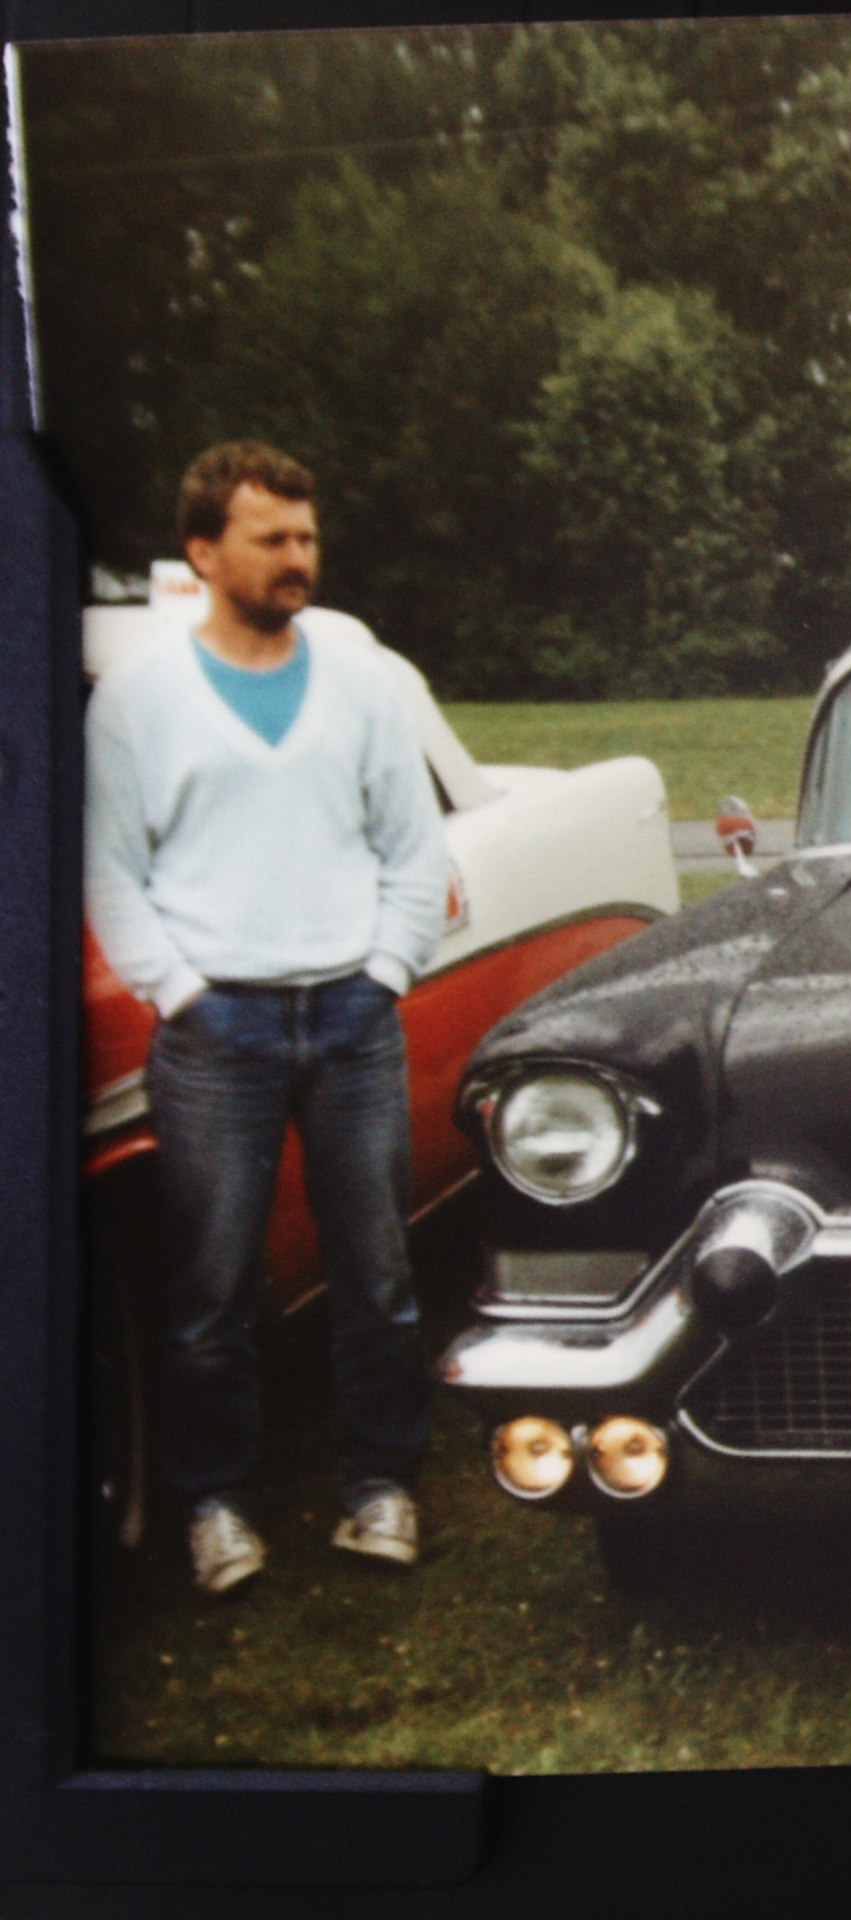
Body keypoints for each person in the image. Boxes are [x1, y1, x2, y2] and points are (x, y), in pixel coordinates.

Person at [86, 442, 448, 1595]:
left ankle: (381, 1487)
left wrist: (382, 974)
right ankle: (215, 1505)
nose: (300, 557)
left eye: (307, 536)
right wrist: (183, 995)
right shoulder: (139, 699)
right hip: (214, 1036)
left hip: (352, 1020)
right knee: (211, 1292)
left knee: (376, 1276)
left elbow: (412, 850)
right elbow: (109, 869)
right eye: (272, 538)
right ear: (203, 552)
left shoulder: (361, 685)